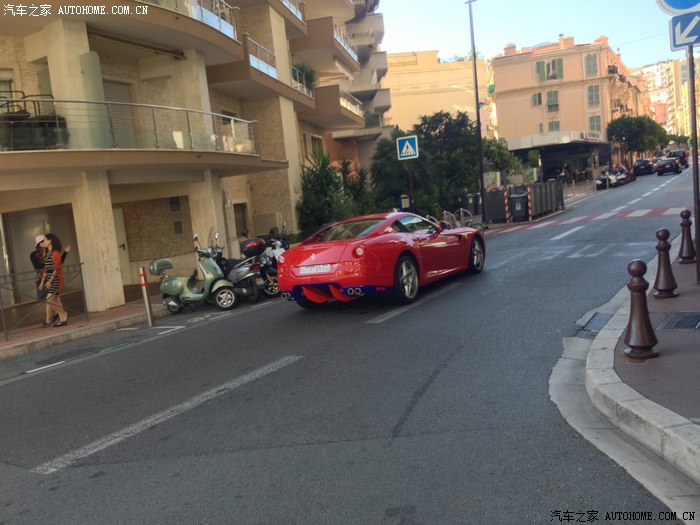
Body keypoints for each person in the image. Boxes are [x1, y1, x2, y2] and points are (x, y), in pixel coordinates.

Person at [39, 233, 68, 327]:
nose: (43, 242)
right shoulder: (48, 253)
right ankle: (63, 319)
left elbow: (56, 268)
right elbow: (46, 269)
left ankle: (63, 315)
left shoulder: (55, 253)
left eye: (44, 240)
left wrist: (50, 281)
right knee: (54, 301)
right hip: (51, 281)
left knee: (49, 300)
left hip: (56, 281)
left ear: (50, 241)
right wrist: (43, 281)